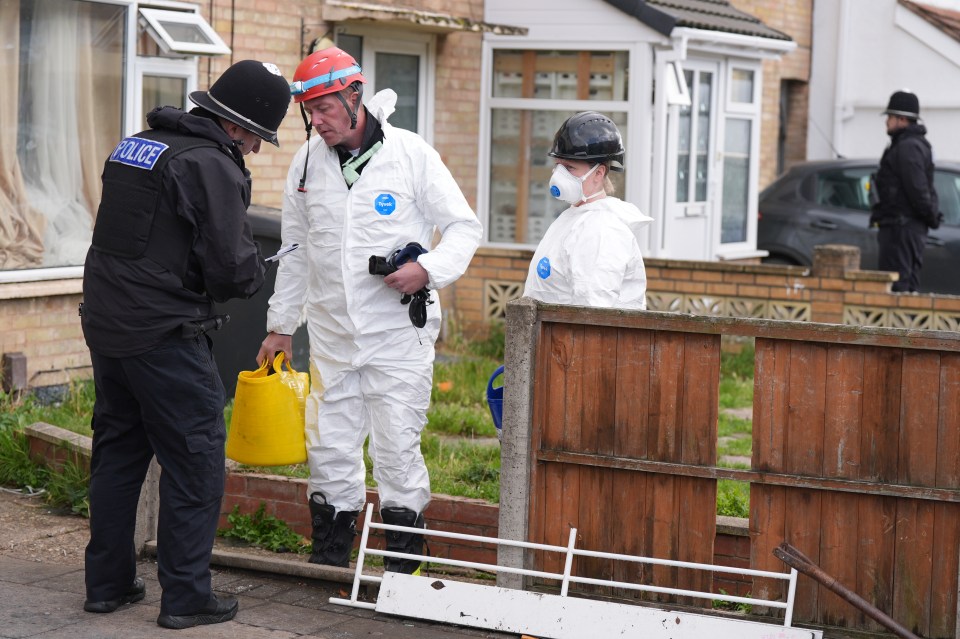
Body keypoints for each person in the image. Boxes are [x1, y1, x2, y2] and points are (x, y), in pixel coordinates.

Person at [80, 60, 291, 629]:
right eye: (258, 140)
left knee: (120, 451)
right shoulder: (210, 165)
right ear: (239, 128)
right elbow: (229, 269)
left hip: (107, 323)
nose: (255, 150)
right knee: (196, 461)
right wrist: (259, 271)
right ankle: (187, 597)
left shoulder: (139, 145)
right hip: (163, 334)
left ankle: (108, 584)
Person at [257, 47, 481, 575]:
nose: (318, 121)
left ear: (354, 96)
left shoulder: (410, 155)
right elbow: (294, 248)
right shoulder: (307, 162)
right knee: (329, 447)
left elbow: (464, 228)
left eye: (326, 108)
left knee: (397, 449)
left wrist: (426, 269)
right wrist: (280, 327)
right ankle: (332, 562)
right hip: (333, 338)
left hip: (397, 336)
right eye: (309, 110)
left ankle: (404, 568)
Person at [524, 111, 652, 308]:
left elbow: (594, 313)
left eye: (570, 167)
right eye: (558, 165)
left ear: (598, 173)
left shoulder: (602, 230)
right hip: (554, 337)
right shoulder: (576, 217)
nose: (559, 174)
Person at [871, 90, 941, 293]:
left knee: (899, 289)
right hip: (902, 228)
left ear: (902, 120)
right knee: (903, 287)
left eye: (890, 117)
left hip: (901, 230)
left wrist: (930, 217)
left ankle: (902, 326)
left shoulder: (908, 147)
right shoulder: (906, 145)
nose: (887, 122)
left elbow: (918, 190)